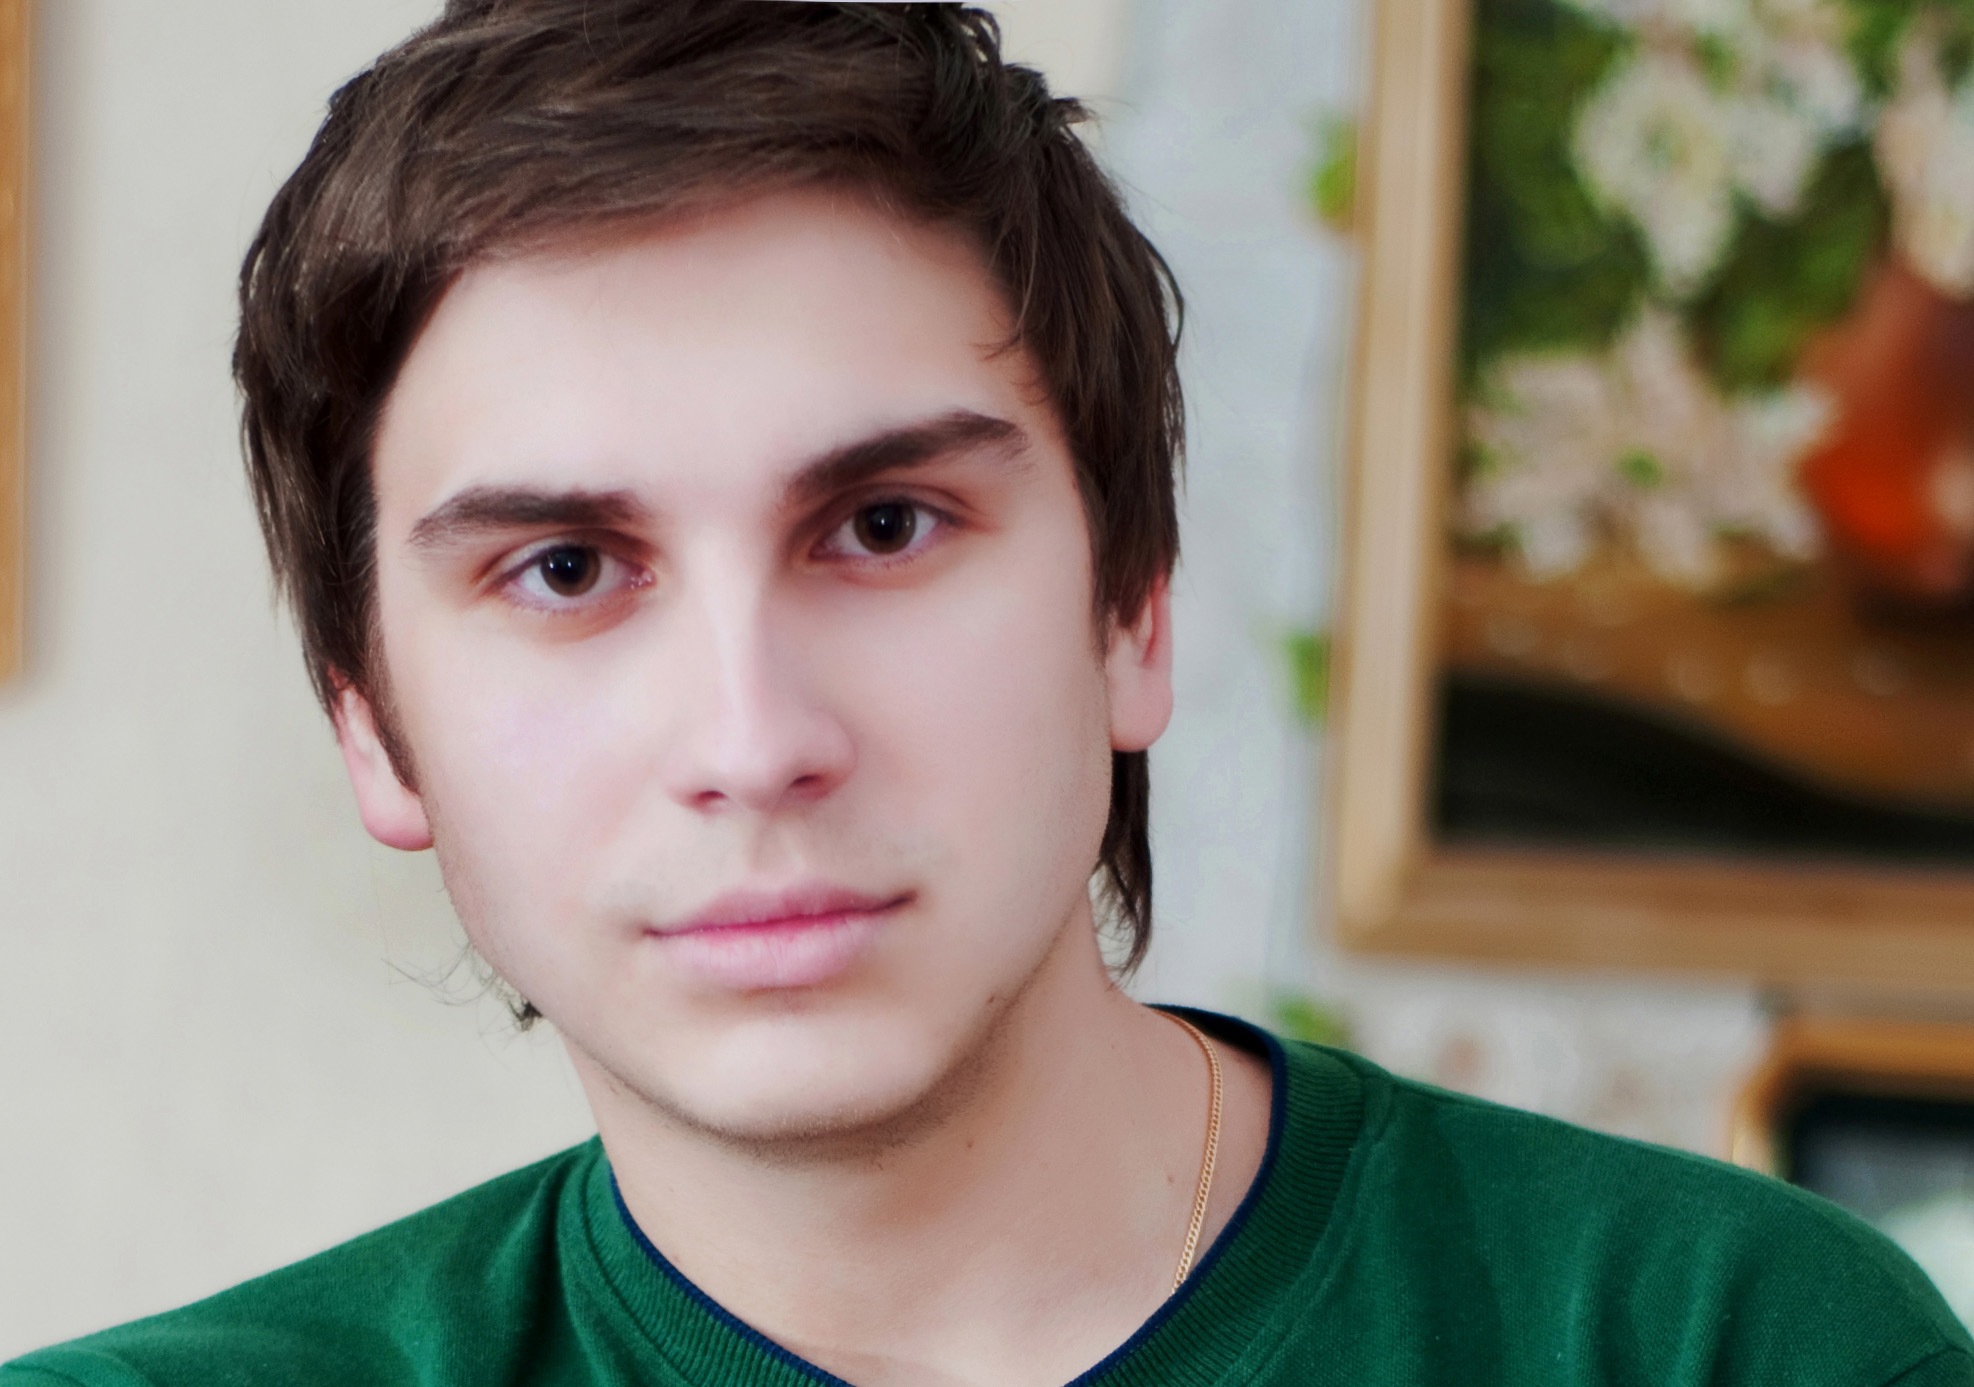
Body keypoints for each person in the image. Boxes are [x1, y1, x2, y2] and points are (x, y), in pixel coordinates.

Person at [6, 2, 1970, 1383]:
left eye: (881, 527)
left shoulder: (1734, 1345)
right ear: (370, 722)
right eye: (569, 570)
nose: (754, 740)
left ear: (1132, 608)